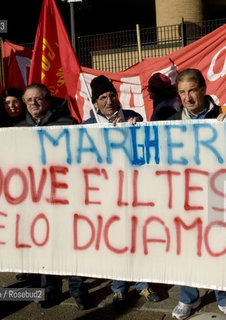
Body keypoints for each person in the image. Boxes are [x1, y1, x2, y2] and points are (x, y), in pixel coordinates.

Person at [167, 68, 226, 320]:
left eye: (192, 91)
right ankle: (189, 297)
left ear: (204, 89)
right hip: (186, 198)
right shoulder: (172, 121)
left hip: (218, 196)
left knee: (221, 246)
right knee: (185, 248)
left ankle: (225, 296)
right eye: (182, 92)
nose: (187, 97)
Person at [82, 75, 161, 309]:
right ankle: (118, 288)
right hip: (106, 196)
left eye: (112, 95)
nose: (109, 100)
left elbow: (146, 152)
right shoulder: (88, 127)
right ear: (95, 103)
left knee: (137, 239)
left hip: (134, 193)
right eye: (103, 97)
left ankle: (142, 284)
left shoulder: (134, 119)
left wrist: (136, 129)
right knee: (115, 241)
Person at [17, 83, 91, 310]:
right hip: (36, 201)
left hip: (67, 199)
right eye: (29, 100)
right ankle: (50, 290)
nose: (33, 104)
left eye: (38, 99)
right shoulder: (15, 130)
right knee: (45, 248)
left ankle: (78, 290)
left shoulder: (67, 125)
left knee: (71, 246)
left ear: (48, 100)